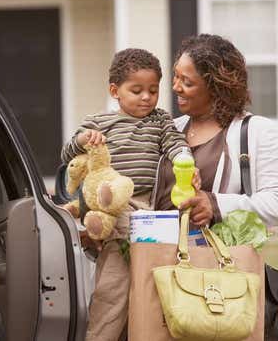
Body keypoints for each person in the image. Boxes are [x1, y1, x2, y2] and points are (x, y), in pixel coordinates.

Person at [61, 48, 194, 341]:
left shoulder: (159, 120)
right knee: (112, 289)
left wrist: (185, 161)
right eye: (136, 91)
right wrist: (84, 139)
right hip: (112, 206)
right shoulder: (98, 122)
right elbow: (68, 152)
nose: (146, 97)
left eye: (153, 90)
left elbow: (175, 144)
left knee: (148, 290)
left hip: (146, 205)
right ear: (115, 91)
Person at [154, 33, 278, 230]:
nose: (175, 87)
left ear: (216, 87)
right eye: (176, 76)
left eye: (187, 82)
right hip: (159, 255)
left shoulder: (257, 132)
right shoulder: (170, 129)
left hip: (219, 258)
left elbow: (277, 203)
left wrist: (215, 205)